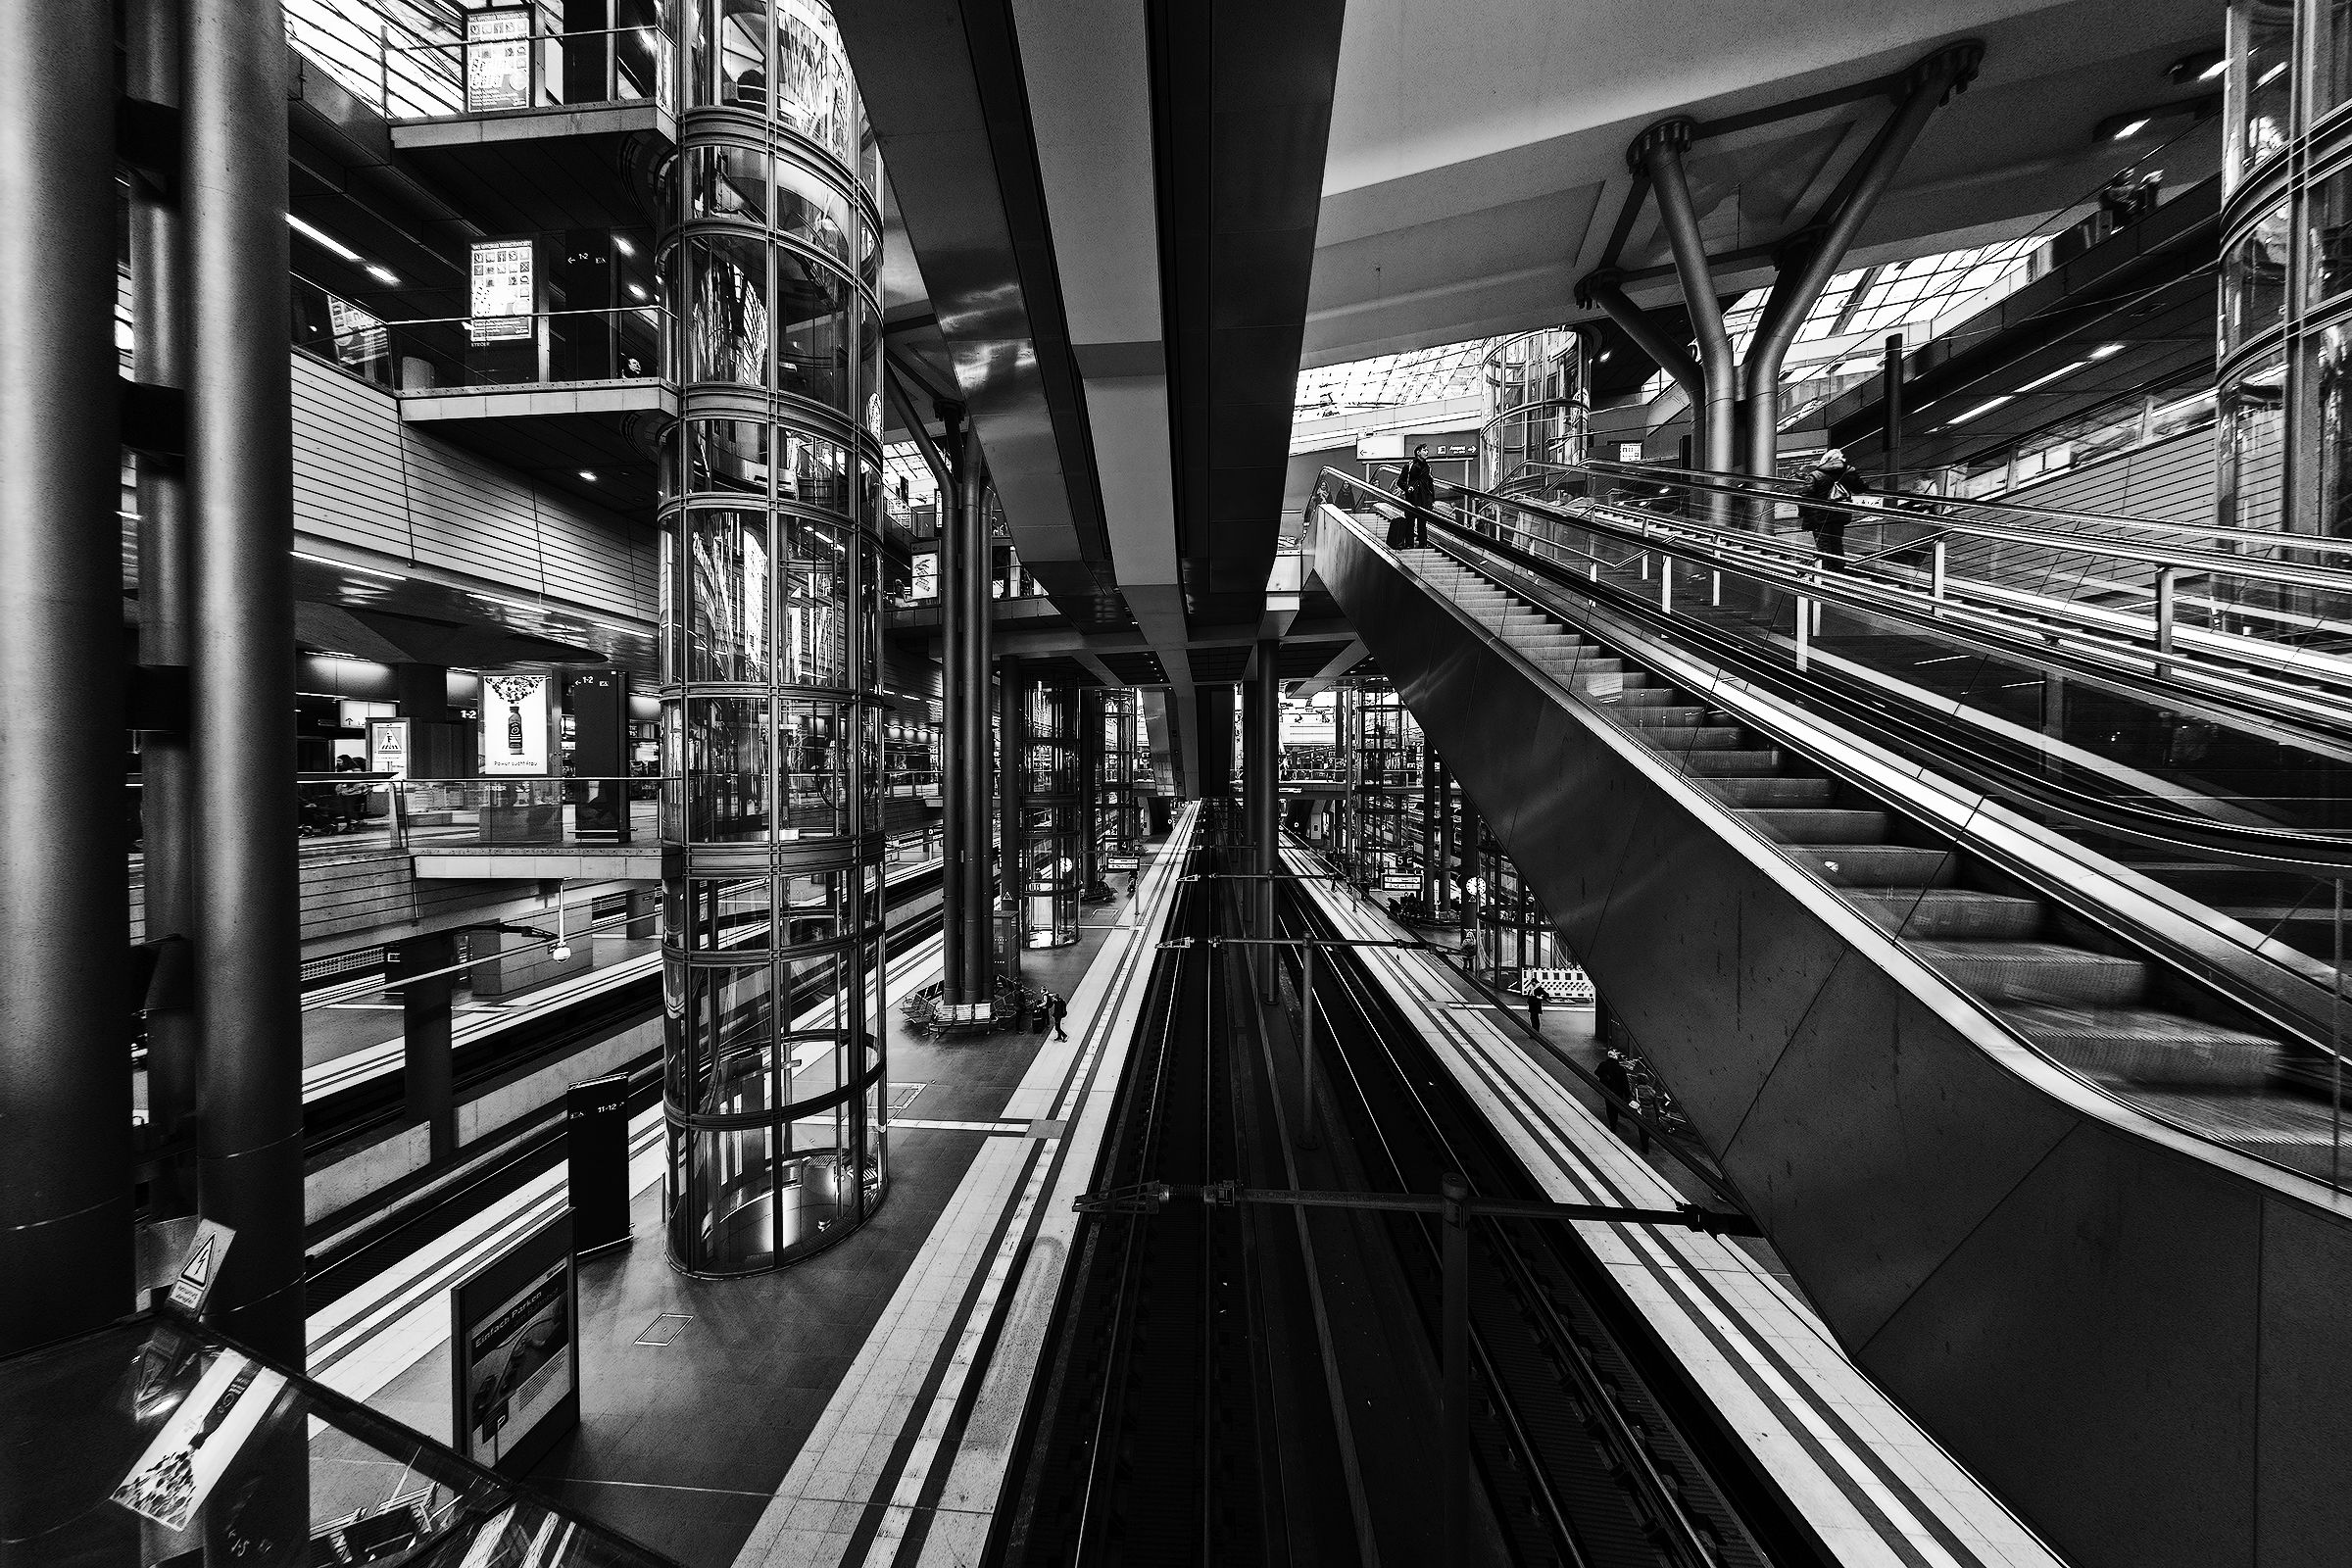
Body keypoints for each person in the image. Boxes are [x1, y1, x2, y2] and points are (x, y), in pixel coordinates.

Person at [1797, 447, 1871, 570]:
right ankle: (1839, 572)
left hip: (1819, 517)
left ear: (1825, 460)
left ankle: (1827, 574)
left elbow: (1805, 497)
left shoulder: (1815, 475)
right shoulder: (1848, 472)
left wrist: (1803, 514)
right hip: (1840, 514)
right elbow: (1860, 488)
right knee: (1837, 544)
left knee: (1823, 546)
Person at [1595, 1048, 1634, 1141]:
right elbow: (1625, 1083)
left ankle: (1611, 1123)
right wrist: (1628, 1095)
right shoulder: (1621, 1069)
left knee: (1609, 1107)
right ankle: (1614, 1124)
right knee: (1616, 1108)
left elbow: (1596, 1072)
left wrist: (1604, 1077)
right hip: (1618, 1092)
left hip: (1607, 1090)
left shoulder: (1603, 1065)